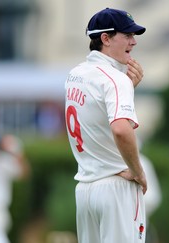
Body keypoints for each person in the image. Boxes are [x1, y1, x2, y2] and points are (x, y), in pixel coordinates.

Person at [64, 7, 148, 243]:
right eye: (127, 35)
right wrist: (139, 172)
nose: (133, 42)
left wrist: (129, 90)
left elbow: (96, 118)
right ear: (105, 38)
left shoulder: (75, 74)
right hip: (116, 186)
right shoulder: (116, 79)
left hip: (85, 189)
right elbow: (121, 129)